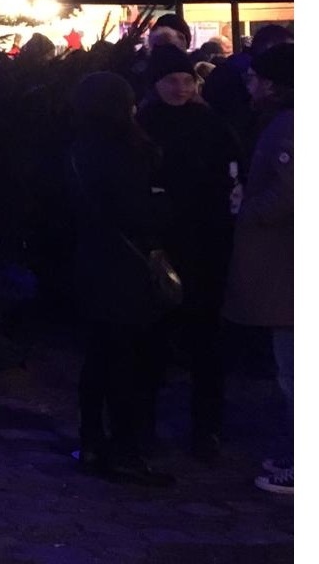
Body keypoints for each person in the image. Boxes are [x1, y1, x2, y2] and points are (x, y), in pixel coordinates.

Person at [67, 71, 174, 487]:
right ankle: (125, 449)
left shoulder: (80, 146)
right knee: (127, 360)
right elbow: (138, 211)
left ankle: (92, 440)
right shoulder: (127, 149)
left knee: (99, 357)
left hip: (92, 261)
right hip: (126, 266)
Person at [135, 43, 239, 460]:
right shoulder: (144, 125)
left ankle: (207, 428)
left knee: (205, 340)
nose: (180, 88)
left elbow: (229, 172)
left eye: (186, 80)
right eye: (171, 81)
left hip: (206, 243)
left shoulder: (211, 124)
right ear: (156, 84)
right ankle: (144, 424)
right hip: (162, 245)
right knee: (153, 338)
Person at [224, 43, 293, 497]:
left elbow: (288, 192)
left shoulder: (287, 126)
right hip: (284, 260)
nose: (249, 85)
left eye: (254, 78)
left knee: (294, 368)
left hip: (285, 261)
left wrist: (246, 210)